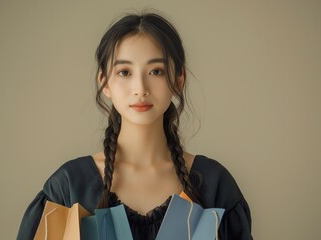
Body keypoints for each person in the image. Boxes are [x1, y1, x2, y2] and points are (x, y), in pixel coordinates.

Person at [17, 12, 252, 240]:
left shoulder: (215, 185)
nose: (140, 88)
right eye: (124, 72)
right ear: (105, 82)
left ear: (179, 79)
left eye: (156, 71)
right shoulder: (68, 187)